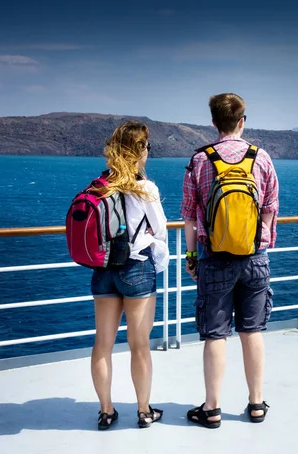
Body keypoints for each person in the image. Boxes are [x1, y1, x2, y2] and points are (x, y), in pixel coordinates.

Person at [180, 93, 279, 428]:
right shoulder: (262, 159)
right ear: (242, 121)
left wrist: (192, 256)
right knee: (252, 332)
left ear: (213, 122)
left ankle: (212, 409)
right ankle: (255, 405)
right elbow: (269, 210)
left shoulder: (199, 160)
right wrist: (258, 242)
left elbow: (190, 218)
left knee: (215, 335)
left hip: (215, 258)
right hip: (255, 257)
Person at [89, 120, 169, 430]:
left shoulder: (99, 184)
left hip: (103, 269)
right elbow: (160, 229)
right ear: (139, 151)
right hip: (136, 269)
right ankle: (143, 411)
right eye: (147, 147)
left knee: (102, 345)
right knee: (139, 345)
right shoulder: (145, 187)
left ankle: (106, 411)